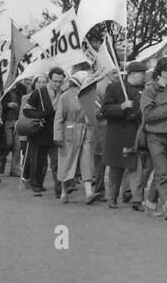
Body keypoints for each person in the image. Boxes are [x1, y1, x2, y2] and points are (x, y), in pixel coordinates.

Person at [139, 56, 167, 219]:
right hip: (155, 136)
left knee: (161, 173)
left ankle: (150, 204)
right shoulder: (150, 90)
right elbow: (148, 114)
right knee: (163, 172)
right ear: (163, 72)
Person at [101, 61, 146, 209]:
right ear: (132, 74)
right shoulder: (114, 88)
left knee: (136, 168)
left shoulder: (144, 90)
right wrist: (121, 107)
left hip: (135, 133)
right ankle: (112, 197)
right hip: (117, 133)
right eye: (142, 74)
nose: (144, 76)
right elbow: (105, 109)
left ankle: (137, 200)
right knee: (116, 168)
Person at [53, 63, 95, 203]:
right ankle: (64, 193)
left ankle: (89, 192)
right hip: (69, 132)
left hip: (85, 131)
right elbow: (59, 117)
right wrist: (57, 135)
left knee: (86, 161)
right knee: (67, 162)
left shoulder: (89, 96)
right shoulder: (65, 96)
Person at [22, 68, 62, 196]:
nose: (57, 84)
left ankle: (59, 188)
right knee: (39, 161)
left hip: (55, 133)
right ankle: (36, 184)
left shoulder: (62, 93)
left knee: (57, 162)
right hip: (40, 132)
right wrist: (41, 114)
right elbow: (26, 111)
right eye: (55, 81)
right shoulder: (38, 93)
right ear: (49, 79)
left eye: (60, 81)